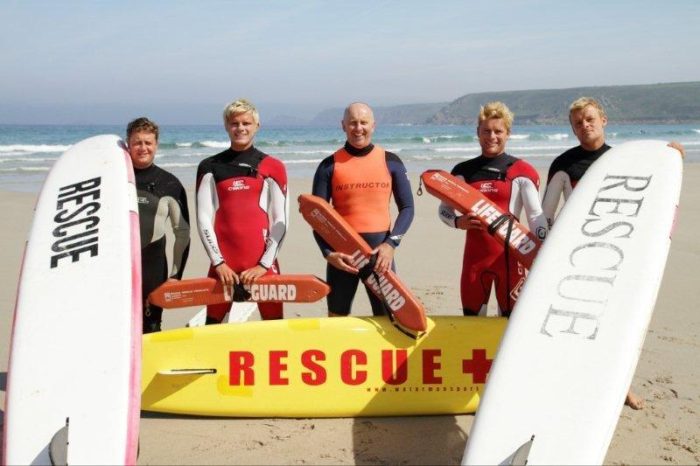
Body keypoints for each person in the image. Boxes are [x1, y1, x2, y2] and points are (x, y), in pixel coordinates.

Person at [542, 97, 686, 410]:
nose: (585, 126)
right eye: (578, 123)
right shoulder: (564, 165)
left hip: (617, 256)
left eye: (590, 119)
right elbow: (546, 217)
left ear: (604, 120)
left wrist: (672, 156)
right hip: (576, 259)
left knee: (616, 323)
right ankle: (571, 380)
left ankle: (621, 387)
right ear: (572, 128)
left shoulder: (624, 160)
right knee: (577, 322)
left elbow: (652, 190)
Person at [438, 101, 547, 317]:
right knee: (472, 322)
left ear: (508, 134)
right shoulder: (462, 172)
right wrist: (459, 223)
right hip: (474, 261)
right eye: (486, 131)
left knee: (510, 323)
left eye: (498, 131)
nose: (492, 137)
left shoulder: (522, 171)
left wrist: (541, 249)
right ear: (478, 132)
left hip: (511, 260)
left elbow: (535, 216)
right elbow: (443, 211)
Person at [312, 102, 415, 317]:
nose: (358, 128)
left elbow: (407, 208)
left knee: (387, 321)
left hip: (380, 256)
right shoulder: (328, 165)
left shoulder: (391, 162)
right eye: (352, 123)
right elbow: (317, 217)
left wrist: (391, 244)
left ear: (373, 125)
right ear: (343, 126)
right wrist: (328, 253)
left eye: (363, 122)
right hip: (343, 257)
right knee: (336, 320)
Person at [196, 99, 289, 324]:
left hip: (263, 264)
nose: (241, 128)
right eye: (235, 123)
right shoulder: (210, 166)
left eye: (246, 123)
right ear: (227, 126)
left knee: (274, 328)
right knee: (213, 327)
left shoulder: (272, 166)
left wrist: (263, 265)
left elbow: (281, 220)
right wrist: (218, 263)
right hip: (222, 267)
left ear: (257, 126)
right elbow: (204, 217)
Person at [127, 117, 191, 333]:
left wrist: (175, 276)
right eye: (137, 142)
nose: (143, 148)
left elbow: (182, 233)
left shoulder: (169, 184)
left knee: (151, 328)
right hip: (118, 269)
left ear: (156, 145)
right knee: (119, 330)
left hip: (153, 269)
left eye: (148, 142)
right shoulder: (113, 178)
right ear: (128, 144)